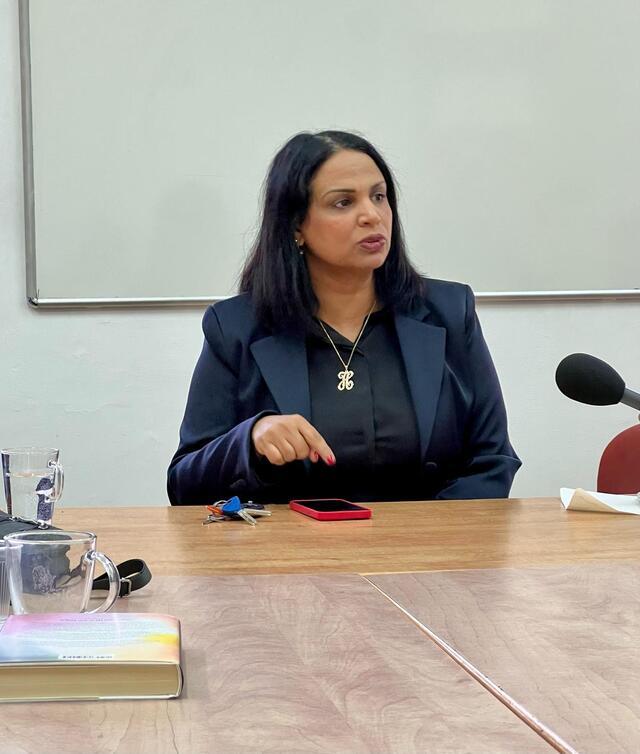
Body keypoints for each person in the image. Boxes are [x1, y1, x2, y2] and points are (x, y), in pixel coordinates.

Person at [167, 130, 520, 505]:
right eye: (343, 203)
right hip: (290, 556)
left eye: (379, 196)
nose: (371, 215)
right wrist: (250, 441)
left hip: (427, 556)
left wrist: (427, 544)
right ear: (296, 226)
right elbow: (183, 485)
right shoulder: (237, 327)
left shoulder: (448, 312)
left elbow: (492, 460)